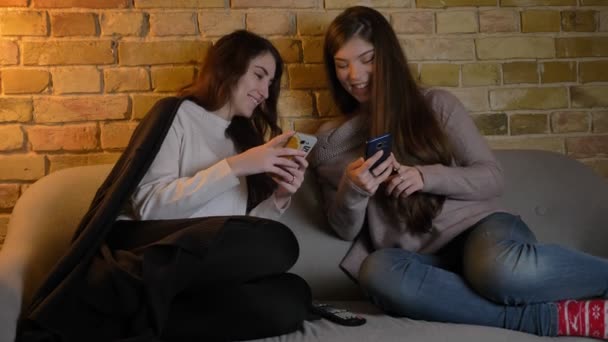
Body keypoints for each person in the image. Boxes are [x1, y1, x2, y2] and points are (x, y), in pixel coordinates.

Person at [309, 6, 608, 340]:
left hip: (483, 234)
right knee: (376, 272)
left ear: (388, 58)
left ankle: (563, 309)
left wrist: (426, 177)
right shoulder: (329, 143)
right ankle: (556, 317)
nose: (354, 74)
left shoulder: (435, 104)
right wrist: (354, 188)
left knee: (498, 271)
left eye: (367, 59)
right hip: (418, 262)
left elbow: (492, 176)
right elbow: (343, 229)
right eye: (341, 64)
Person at [17, 30, 312, 342]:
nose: (266, 92)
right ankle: (114, 291)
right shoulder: (177, 113)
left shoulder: (241, 142)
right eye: (259, 75)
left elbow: (238, 232)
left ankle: (129, 319)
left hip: (190, 273)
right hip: (146, 241)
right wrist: (238, 166)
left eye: (271, 82)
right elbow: (149, 205)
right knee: (280, 243)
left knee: (292, 297)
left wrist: (280, 196)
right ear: (229, 67)